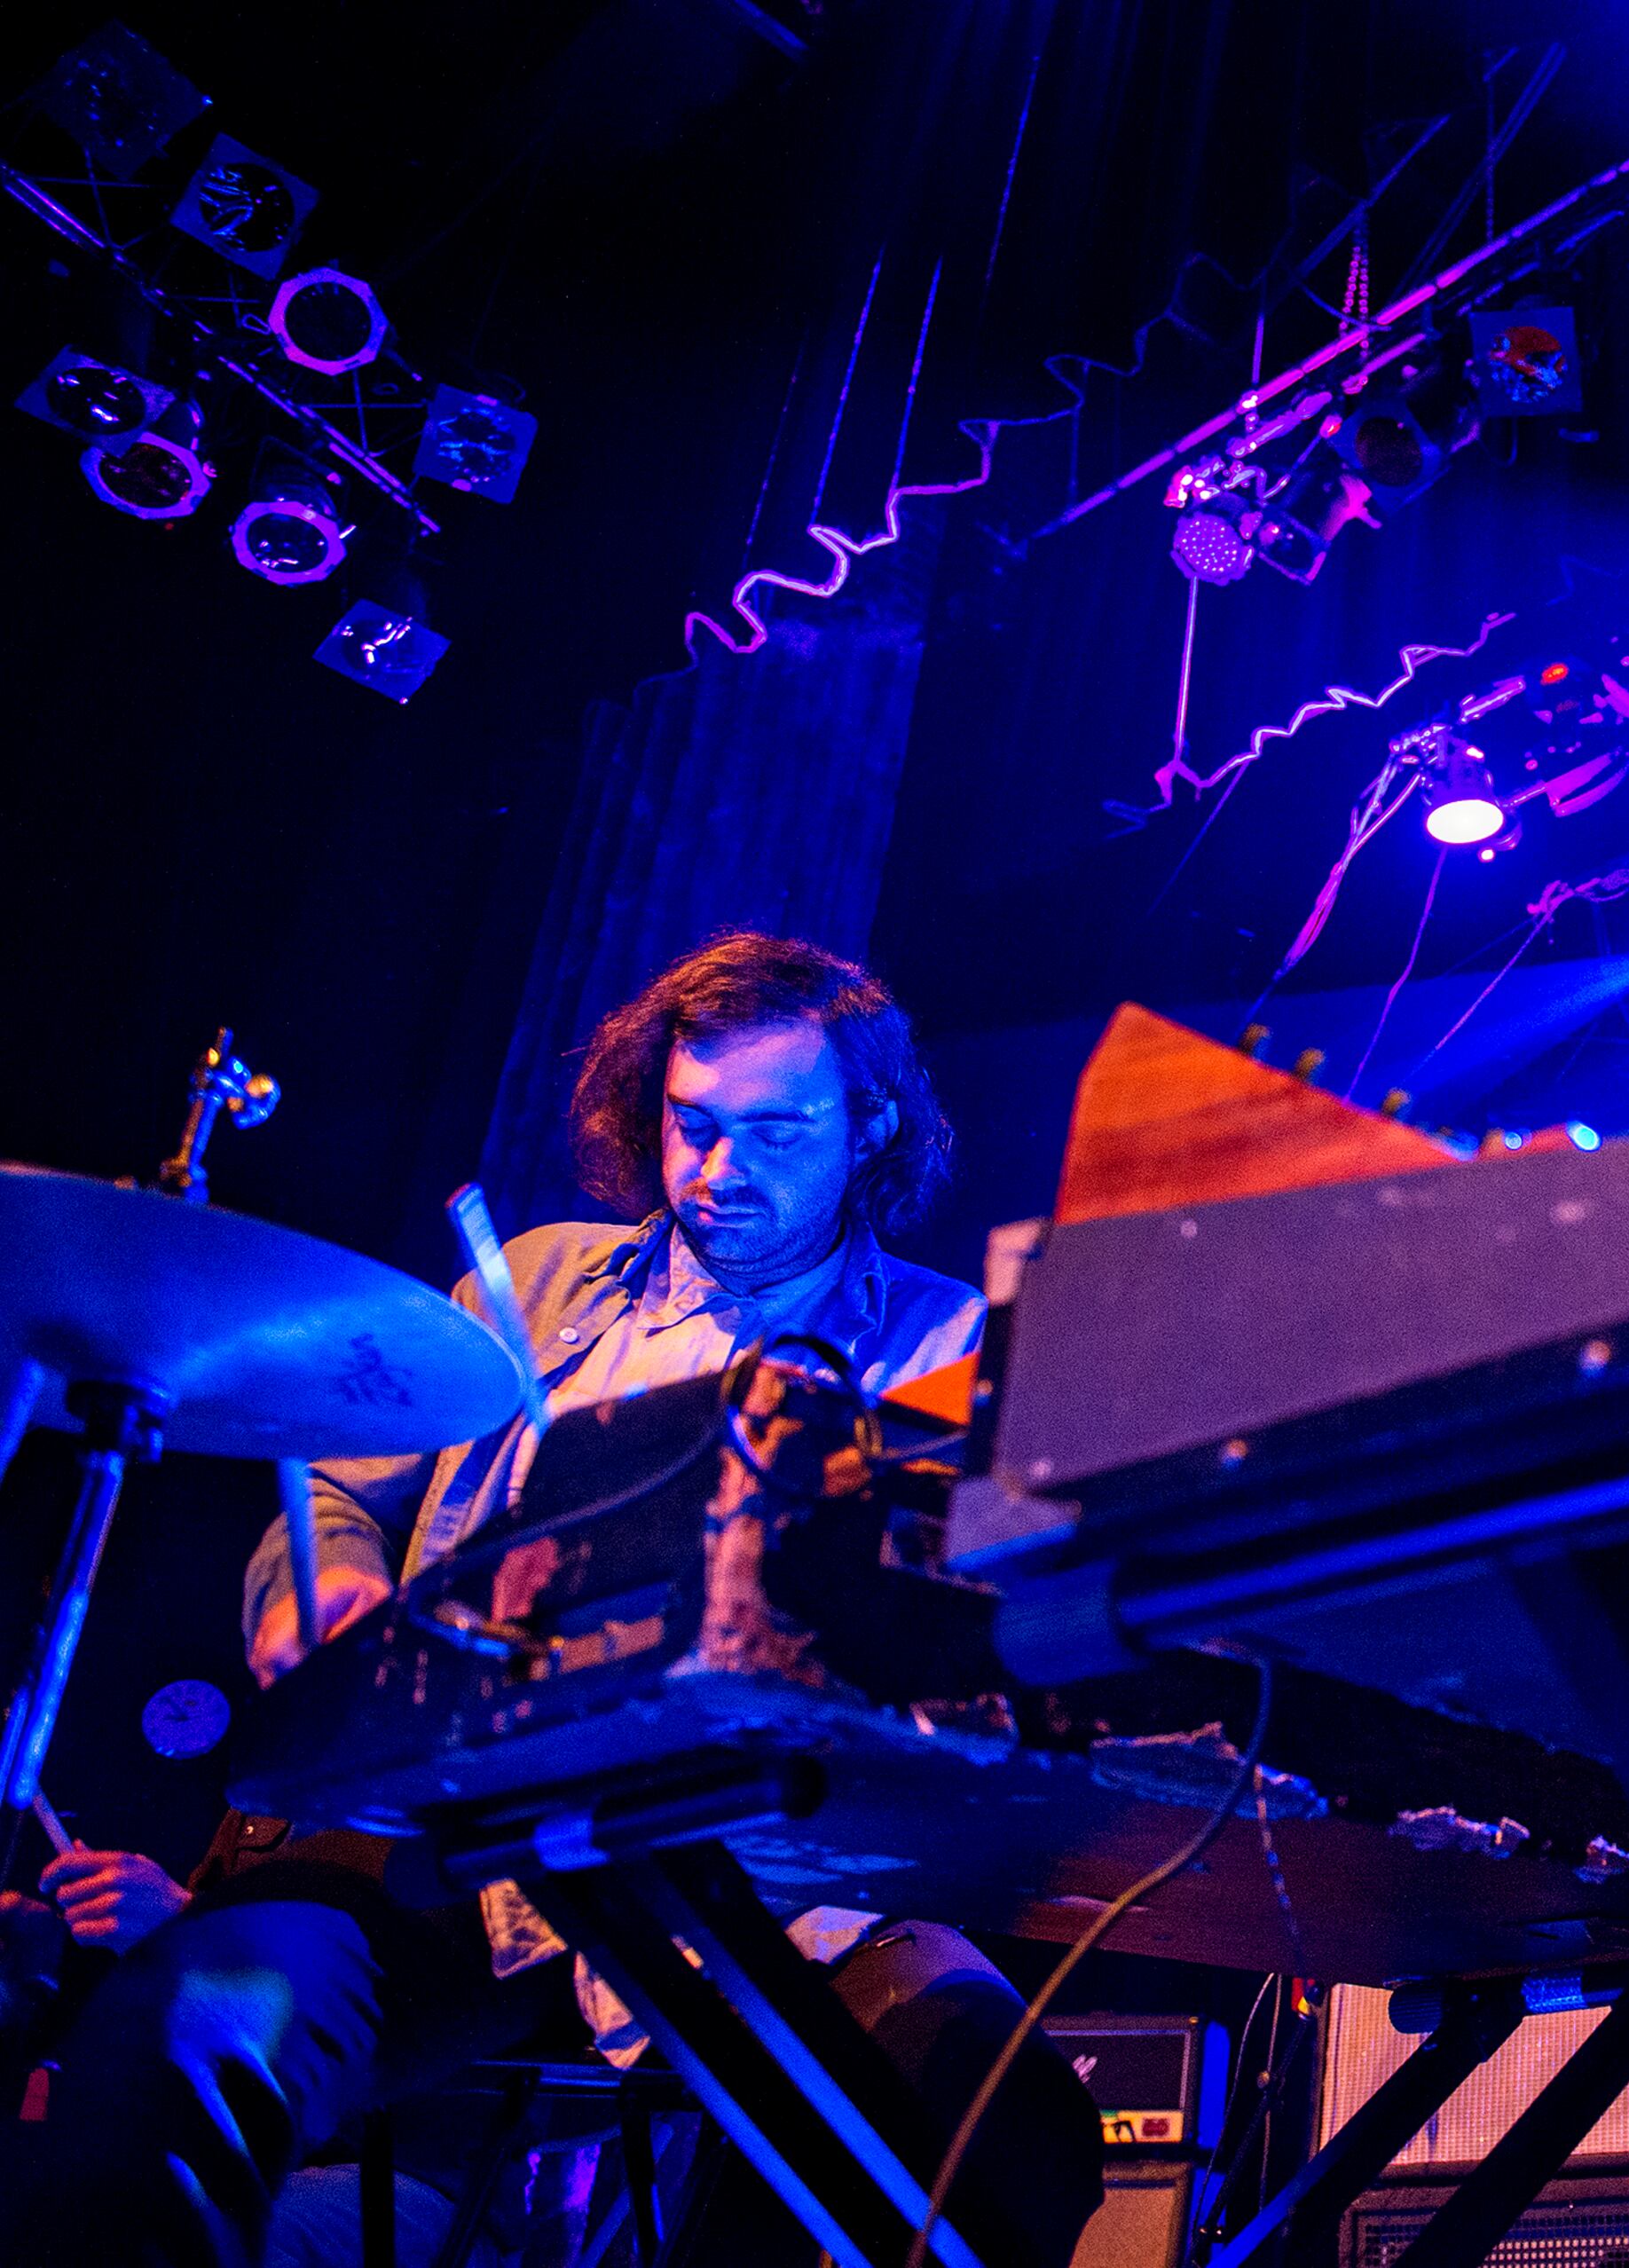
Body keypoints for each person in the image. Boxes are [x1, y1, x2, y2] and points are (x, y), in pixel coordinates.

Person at [15, 933, 1098, 2268]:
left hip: (771, 1869)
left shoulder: (951, 1346)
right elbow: (344, 1501)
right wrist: (333, 1586)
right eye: (691, 1126)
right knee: (181, 2034)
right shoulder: (540, 1279)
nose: (719, 1172)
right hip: (444, 1851)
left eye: (776, 1131)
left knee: (1013, 2127)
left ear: (870, 1123)